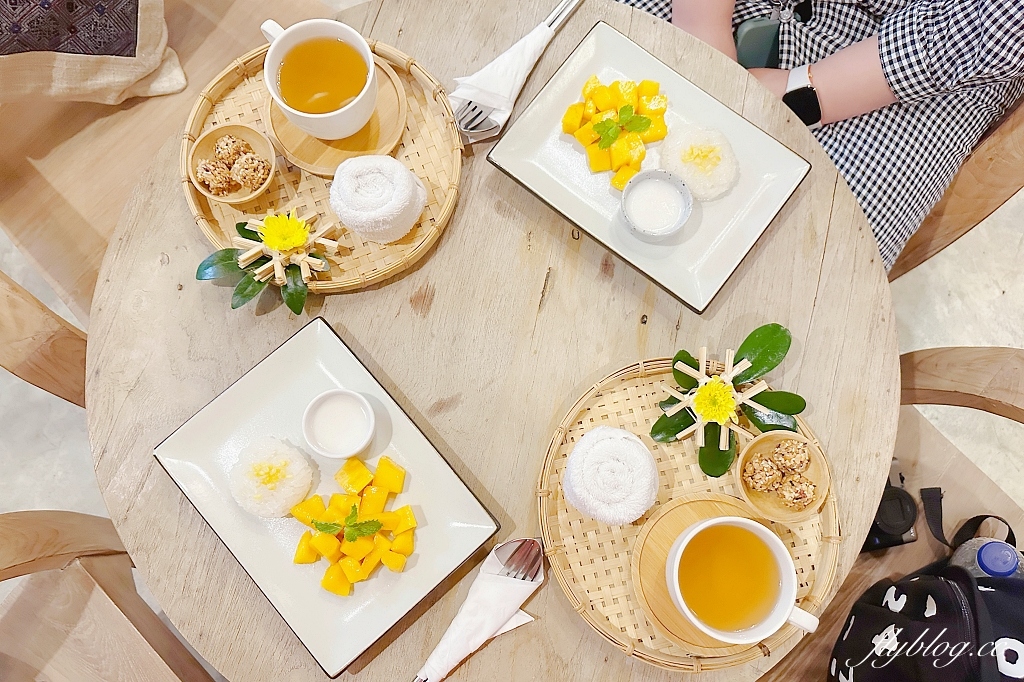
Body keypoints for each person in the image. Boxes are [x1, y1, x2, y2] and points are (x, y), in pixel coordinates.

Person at [618, 0, 1024, 270]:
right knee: (596, 75)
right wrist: (701, 26)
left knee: (797, 256)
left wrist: (799, 96)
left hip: (948, 68)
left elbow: (961, 35)